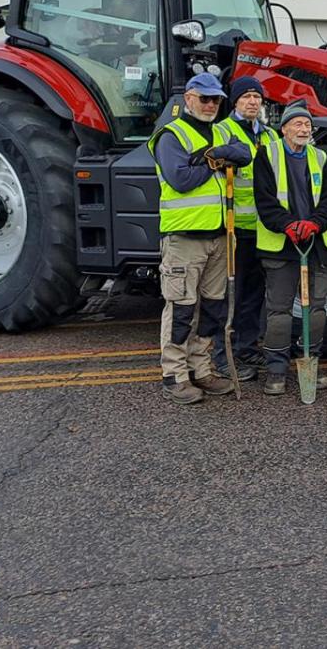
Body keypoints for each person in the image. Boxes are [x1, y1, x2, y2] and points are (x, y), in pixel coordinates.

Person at [147, 72, 251, 405]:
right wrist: (216, 160)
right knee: (181, 309)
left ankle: (202, 370)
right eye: (204, 98)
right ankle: (175, 376)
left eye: (215, 100)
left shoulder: (222, 130)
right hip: (184, 238)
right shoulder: (171, 135)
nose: (210, 105)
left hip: (220, 237)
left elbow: (245, 153)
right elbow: (181, 179)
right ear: (188, 98)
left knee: (213, 311)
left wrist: (210, 156)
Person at [252, 101, 327, 396]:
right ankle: (276, 368)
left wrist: (315, 223)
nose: (304, 129)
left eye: (308, 125)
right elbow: (264, 200)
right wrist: (287, 224)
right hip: (281, 245)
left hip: (315, 244)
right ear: (285, 128)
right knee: (279, 311)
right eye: (298, 124)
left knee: (316, 309)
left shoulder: (321, 157)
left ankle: (310, 360)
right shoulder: (268, 154)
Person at [211, 76, 275, 382]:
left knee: (253, 293)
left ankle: (247, 346)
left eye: (257, 97)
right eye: (246, 96)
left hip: (261, 228)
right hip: (232, 227)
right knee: (228, 295)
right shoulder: (222, 130)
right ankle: (222, 355)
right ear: (235, 101)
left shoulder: (270, 135)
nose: (252, 101)